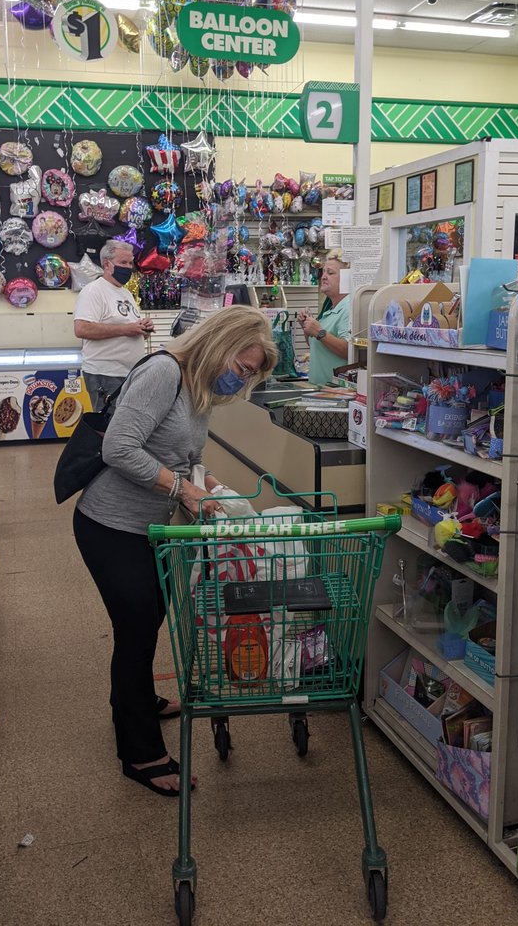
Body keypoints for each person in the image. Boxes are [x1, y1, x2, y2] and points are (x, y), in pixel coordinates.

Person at [72, 307, 278, 797]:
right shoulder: (164, 372)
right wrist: (184, 490)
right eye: (242, 367)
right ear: (220, 344)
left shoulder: (198, 385)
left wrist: (212, 486)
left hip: (149, 527)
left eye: (249, 375)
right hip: (111, 524)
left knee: (149, 619)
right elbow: (119, 448)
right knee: (137, 629)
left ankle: (140, 700)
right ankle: (140, 753)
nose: (240, 379)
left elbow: (188, 455)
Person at [73, 239, 155, 411]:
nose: (128, 267)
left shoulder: (126, 293)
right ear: (107, 265)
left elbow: (131, 329)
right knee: (110, 424)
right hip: (105, 375)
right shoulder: (93, 291)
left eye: (131, 263)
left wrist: (143, 328)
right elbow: (82, 328)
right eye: (123, 262)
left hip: (128, 373)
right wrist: (127, 329)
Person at [297, 251, 351, 387]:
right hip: (321, 390)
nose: (324, 277)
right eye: (324, 272)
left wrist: (319, 332)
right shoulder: (330, 309)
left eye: (330, 273)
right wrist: (307, 329)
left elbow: (348, 351)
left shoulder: (349, 308)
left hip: (336, 392)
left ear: (347, 278)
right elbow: (317, 346)